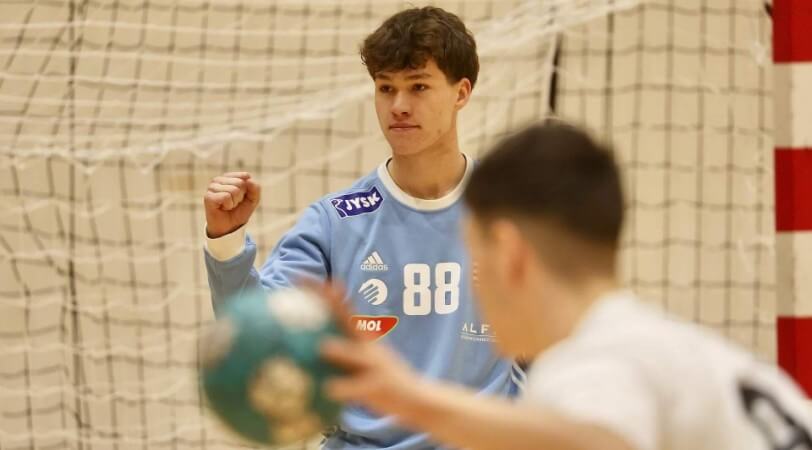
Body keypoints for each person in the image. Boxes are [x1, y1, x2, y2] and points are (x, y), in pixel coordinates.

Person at [319, 121, 812, 450]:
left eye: (474, 261)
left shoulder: (589, 361)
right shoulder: (690, 352)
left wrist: (411, 399)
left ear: (510, 254)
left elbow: (599, 440)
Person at [202, 6, 519, 449]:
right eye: (386, 88)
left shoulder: (512, 212)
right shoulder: (336, 221)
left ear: (461, 93)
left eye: (418, 86)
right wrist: (227, 242)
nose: (399, 106)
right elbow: (256, 333)